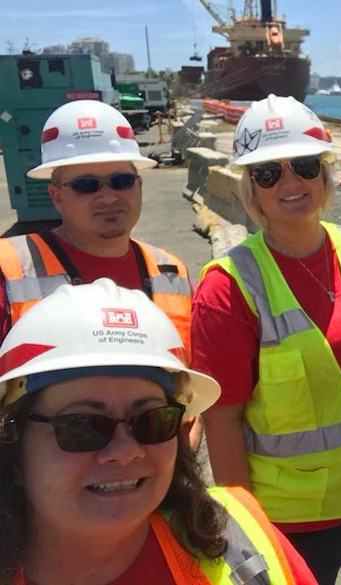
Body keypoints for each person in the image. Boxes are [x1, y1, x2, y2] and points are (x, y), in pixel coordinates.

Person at [191, 95, 341, 585]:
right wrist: (246, 529)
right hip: (290, 520)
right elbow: (221, 420)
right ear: (252, 188)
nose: (290, 182)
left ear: (324, 175)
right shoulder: (230, 285)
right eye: (268, 173)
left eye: (304, 166)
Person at [0, 279, 316, 584]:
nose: (126, 451)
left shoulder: (242, 536)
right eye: (83, 426)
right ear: (14, 442)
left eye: (151, 420)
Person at [0, 99, 202, 450]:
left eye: (121, 181)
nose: (108, 196)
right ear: (57, 196)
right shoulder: (8, 268)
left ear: (139, 186)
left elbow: (188, 382)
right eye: (87, 185)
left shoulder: (171, 269)